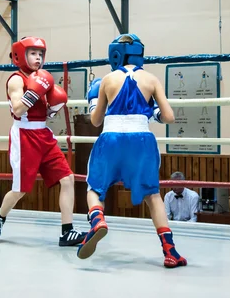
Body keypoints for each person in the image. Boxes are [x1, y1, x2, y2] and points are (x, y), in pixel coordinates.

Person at [76, 34, 187, 268]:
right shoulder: (151, 79)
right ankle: (170, 252)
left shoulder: (107, 79)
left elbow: (95, 122)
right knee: (153, 196)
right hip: (142, 141)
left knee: (95, 188)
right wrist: (151, 110)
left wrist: (94, 103)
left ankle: (97, 220)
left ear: (115, 54)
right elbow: (169, 117)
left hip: (111, 138)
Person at [0, 36, 86, 247]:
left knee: (67, 179)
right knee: (20, 189)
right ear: (20, 55)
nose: (38, 58)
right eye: (33, 53)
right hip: (24, 137)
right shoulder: (16, 79)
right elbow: (18, 109)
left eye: (41, 54)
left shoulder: (43, 78)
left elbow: (45, 113)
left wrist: (53, 107)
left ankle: (67, 232)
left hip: (44, 135)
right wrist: (35, 91)